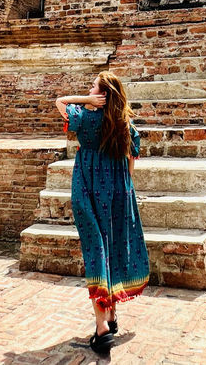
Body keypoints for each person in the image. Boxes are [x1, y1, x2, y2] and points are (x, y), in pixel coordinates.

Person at [55, 71, 149, 355]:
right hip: (119, 191)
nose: (88, 90)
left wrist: (86, 100)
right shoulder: (123, 122)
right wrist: (126, 187)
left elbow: (59, 102)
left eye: (93, 87)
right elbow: (133, 155)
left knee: (97, 253)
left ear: (102, 94)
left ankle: (102, 328)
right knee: (111, 249)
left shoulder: (84, 117)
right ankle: (111, 316)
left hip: (88, 188)